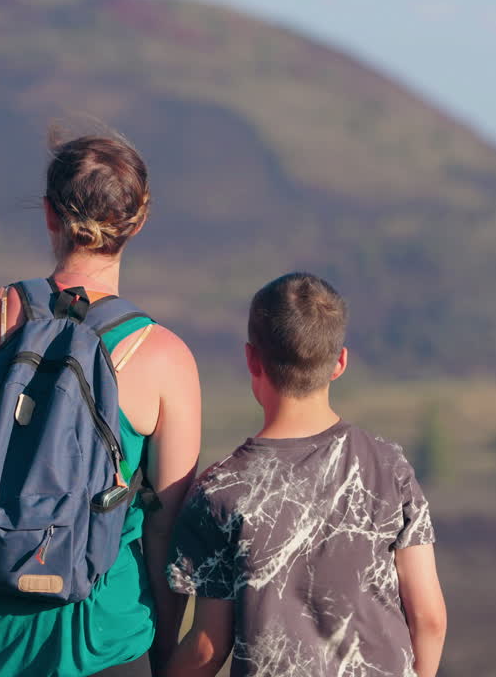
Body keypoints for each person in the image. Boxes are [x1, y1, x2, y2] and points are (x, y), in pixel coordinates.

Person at [0, 133, 202, 677]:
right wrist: (163, 647)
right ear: (139, 221)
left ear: (50, 213)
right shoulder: (163, 356)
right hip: (94, 637)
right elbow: (167, 525)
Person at [165, 273, 448, 677]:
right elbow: (430, 619)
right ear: (340, 363)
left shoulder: (220, 491)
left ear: (251, 359)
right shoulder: (389, 466)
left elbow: (208, 646)